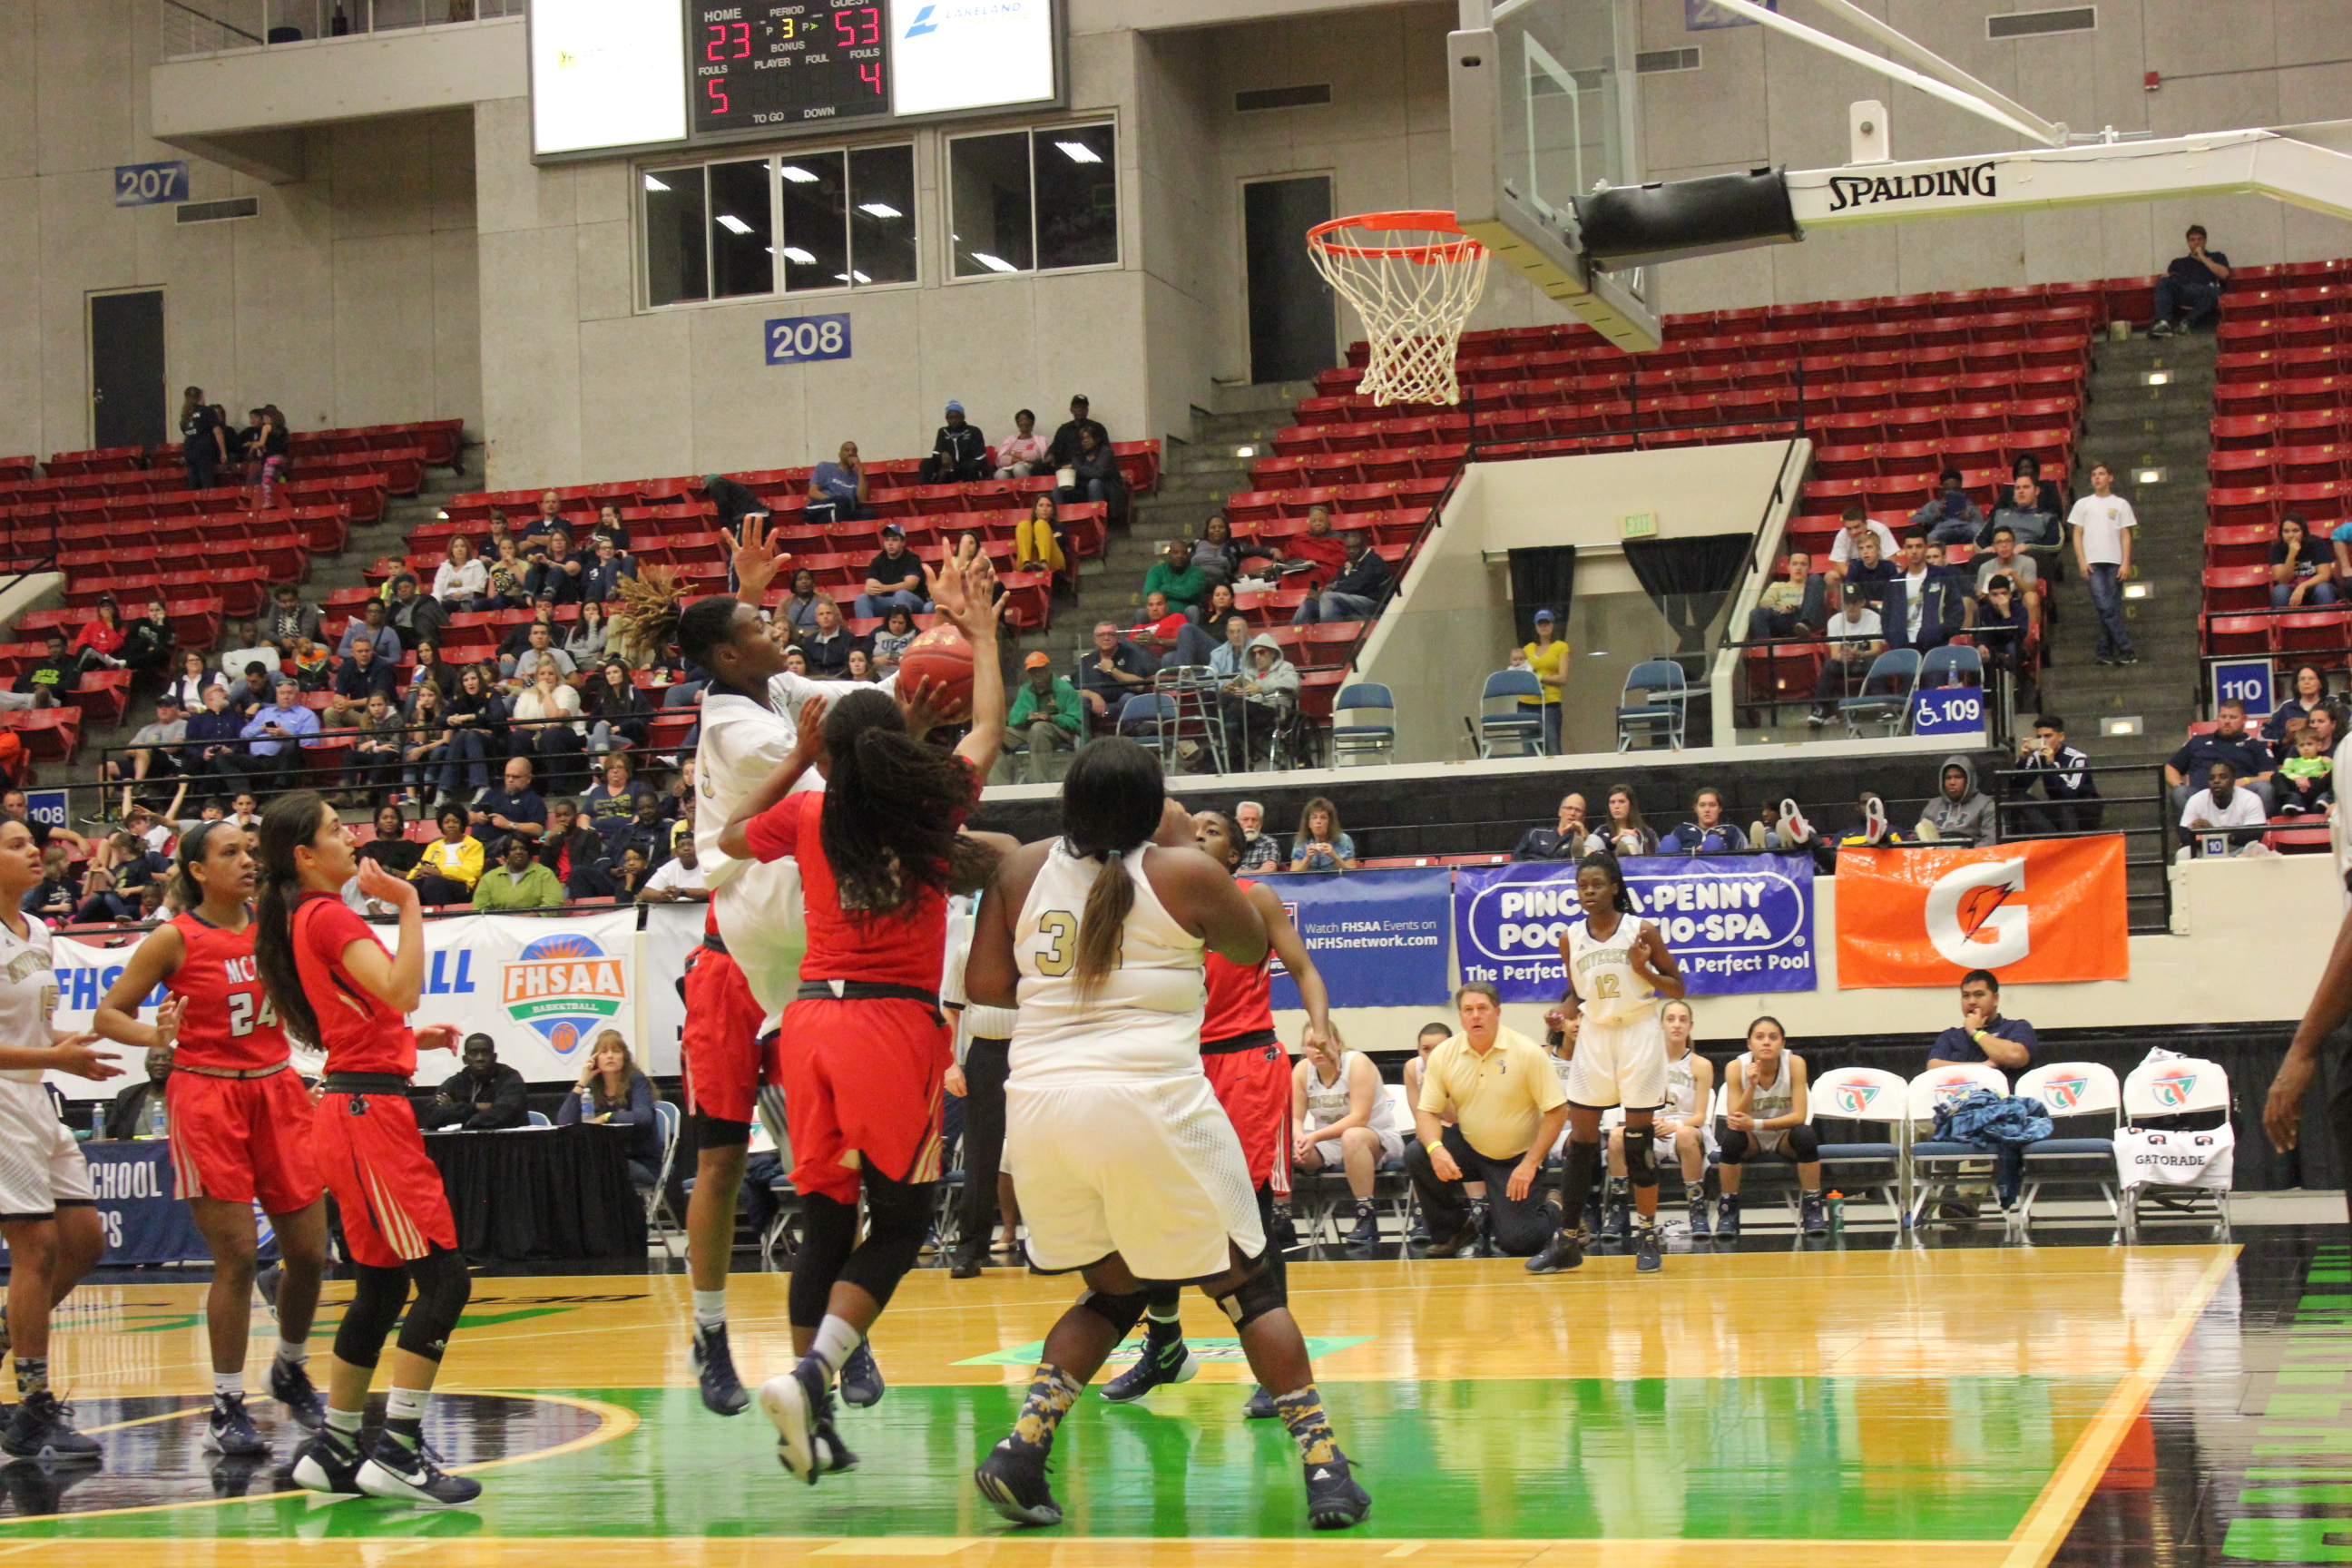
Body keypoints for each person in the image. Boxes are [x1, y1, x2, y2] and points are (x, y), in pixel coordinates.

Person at [960, 739, 1371, 1530]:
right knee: (1249, 1288)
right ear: (1154, 808)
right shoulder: (1183, 871)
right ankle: (1324, 1464)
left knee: (1115, 1290)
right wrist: (1179, 845)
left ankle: (1022, 1447)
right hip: (1149, 1100)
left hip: (1040, 1109)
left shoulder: (1019, 871)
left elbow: (986, 990)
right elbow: (1247, 947)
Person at [715, 555, 1005, 1485]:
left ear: (832, 756)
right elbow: (990, 726)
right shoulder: (932, 802)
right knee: (904, 1223)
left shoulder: (810, 812)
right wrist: (985, 638)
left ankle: (813, 1413)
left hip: (808, 1025)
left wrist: (799, 760)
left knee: (828, 1221)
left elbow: (728, 837)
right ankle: (811, 1375)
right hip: (891, 1029)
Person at [252, 793, 478, 1506]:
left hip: (354, 1104)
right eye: (333, 830)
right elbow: (402, 989)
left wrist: (406, 1041)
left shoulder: (305, 917)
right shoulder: (327, 915)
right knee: (445, 1283)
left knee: (381, 1288)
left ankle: (336, 1447)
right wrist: (410, 902)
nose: (349, 837)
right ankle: (400, 1450)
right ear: (304, 856)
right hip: (367, 1116)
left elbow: (365, 1013)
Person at [92, 819, 329, 1453]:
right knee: (239, 1257)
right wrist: (156, 1037)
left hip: (277, 1089)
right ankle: (226, 1405)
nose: (248, 860)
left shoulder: (274, 926)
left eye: (250, 851)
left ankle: (289, 1367)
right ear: (197, 870)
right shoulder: (174, 937)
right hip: (207, 1096)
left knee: (312, 1252)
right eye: (231, 852)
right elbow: (108, 1014)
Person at [1100, 808, 1336, 1414]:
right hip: (1175, 1065)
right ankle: (1165, 1344)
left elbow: (1304, 969)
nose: (1200, 834)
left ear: (1234, 854)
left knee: (1248, 1217)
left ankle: (1276, 1370)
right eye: (1194, 827)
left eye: (1213, 831)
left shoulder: (1254, 898)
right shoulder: (1157, 901)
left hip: (1245, 1063)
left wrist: (1319, 1024)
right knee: (1159, 1208)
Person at [0, 818, 122, 1465]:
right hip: (0, 1100)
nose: (34, 852)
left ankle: (10, 1335)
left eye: (32, 843)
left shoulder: (39, 931)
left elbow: (30, 1029)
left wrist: (68, 1047)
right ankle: (32, 1406)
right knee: (38, 1248)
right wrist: (52, 1058)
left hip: (35, 1095)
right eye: (16, 845)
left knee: (85, 1241)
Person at [1528, 853, 1687, 1275]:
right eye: (1582, 886)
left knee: (1637, 1143)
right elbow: (1575, 993)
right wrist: (1561, 1013)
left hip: (1638, 1033)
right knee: (1580, 1144)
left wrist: (1642, 969)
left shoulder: (1641, 930)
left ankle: (1646, 1236)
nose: (1589, 892)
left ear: (1615, 886)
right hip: (1595, 1035)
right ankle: (1568, 1240)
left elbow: (1677, 987)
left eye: (1597, 884)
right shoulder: (1570, 937)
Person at [1409, 981, 1568, 1259]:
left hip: (1516, 1159)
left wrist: (1531, 1163)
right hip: (1470, 1148)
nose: (1475, 1016)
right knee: (1418, 1153)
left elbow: (1557, 1111)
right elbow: (1427, 1113)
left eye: (1482, 1008)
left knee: (1518, 1242)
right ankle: (1454, 1231)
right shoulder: (1445, 1054)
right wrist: (1436, 1149)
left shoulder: (1526, 1051)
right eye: (1468, 1010)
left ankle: (1556, 1205)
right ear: (1460, 1016)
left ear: (1497, 1012)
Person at [1602, 998, 1712, 1240]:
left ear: (1691, 1026)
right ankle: (1618, 1210)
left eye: (1683, 1020)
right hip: (1650, 1126)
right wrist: (1648, 1127)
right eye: (1670, 1019)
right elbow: (1632, 1107)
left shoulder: (1701, 1065)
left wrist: (1675, 1125)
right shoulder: (1643, 1063)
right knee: (1617, 1136)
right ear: (1661, 1024)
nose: (1677, 1025)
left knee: (1685, 1136)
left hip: (1685, 1127)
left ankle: (1697, 1209)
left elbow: (1700, 1117)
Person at [1291, 1025, 1402, 1253]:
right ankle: (1281, 1220)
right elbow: (1295, 1117)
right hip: (1329, 1143)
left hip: (1375, 1137)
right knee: (1283, 1147)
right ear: (1303, 1049)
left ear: (1338, 1043)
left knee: (1351, 1137)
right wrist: (1298, 1138)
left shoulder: (1357, 1063)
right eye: (1311, 1045)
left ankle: (1366, 1215)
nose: (1318, 1050)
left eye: (1323, 1043)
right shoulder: (1302, 1070)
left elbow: (1359, 1118)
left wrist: (1314, 1136)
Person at [1713, 1016, 1828, 1238]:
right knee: (1731, 1138)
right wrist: (1751, 1086)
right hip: (1752, 1139)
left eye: (1773, 1037)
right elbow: (1735, 1119)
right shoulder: (1736, 1067)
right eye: (1760, 1037)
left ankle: (1813, 1207)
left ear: (1782, 1043)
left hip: (1784, 1136)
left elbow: (1799, 1116)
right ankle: (1728, 1209)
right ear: (1750, 1044)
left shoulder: (1794, 1064)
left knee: (1805, 1135)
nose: (1766, 1042)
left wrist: (1756, 1123)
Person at [557, 1032, 662, 1190]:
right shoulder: (593, 1085)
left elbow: (643, 1117)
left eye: (616, 1051)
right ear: (595, 1060)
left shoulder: (637, 1080)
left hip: (640, 1162)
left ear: (624, 1057)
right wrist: (583, 1081)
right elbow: (565, 1121)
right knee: (570, 1167)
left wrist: (607, 1117)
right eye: (604, 1052)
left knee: (593, 1168)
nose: (610, 1056)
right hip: (604, 1157)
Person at [2069, 462, 2138, 666]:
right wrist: (2082, 560)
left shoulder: (2121, 504)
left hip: (2115, 561)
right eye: (2094, 474)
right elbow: (2077, 534)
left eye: (2101, 473)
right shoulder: (2082, 504)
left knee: (2109, 608)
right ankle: (2126, 647)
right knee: (2105, 605)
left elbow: (2125, 535)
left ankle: (2105, 650)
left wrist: (2125, 563)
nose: (2097, 477)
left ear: (2110, 478)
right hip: (2093, 563)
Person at [2166, 699, 2276, 818]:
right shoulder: (2197, 742)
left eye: (2233, 717)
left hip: (2240, 798)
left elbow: (2269, 775)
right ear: (2217, 718)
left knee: (2264, 788)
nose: (2227, 721)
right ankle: (2193, 830)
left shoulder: (2256, 745)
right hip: (2202, 798)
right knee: (2180, 792)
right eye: (2223, 717)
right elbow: (2171, 767)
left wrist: (2246, 780)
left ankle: (2254, 828)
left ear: (2244, 719)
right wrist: (2179, 785)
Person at [1807, 583, 1885, 727]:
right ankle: (1819, 709)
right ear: (1843, 603)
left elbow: (1876, 650)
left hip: (1865, 659)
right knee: (1830, 665)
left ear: (1862, 602)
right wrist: (1843, 657)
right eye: (1848, 602)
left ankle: (1883, 707)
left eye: (1855, 602)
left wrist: (1859, 654)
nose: (1851, 606)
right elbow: (1834, 653)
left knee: (1874, 662)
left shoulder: (1874, 618)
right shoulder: (1835, 621)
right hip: (1845, 662)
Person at [1002, 652, 1083, 785]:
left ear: (1048, 668)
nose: (1037, 674)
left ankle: (1039, 784)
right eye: (1033, 671)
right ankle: (999, 787)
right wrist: (1028, 717)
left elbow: (1077, 721)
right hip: (1029, 730)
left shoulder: (1065, 689)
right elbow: (1013, 719)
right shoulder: (1025, 690)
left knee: (1039, 728)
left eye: (1041, 669)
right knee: (997, 735)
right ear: (1028, 673)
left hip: (1060, 731)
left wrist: (1052, 718)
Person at [419, 1033, 529, 1130]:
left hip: (506, 1142)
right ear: (465, 1059)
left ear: (494, 1057)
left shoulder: (510, 1078)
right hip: (462, 1143)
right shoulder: (456, 1082)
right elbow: (432, 1116)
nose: (480, 1058)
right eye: (474, 1053)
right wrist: (476, 1107)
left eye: (485, 1052)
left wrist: (459, 1114)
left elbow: (504, 1113)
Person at [2013, 714, 2102, 834]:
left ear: (2061, 737)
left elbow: (2070, 793)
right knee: (2019, 799)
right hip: (2057, 808)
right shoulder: (2038, 756)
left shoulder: (2077, 758)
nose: (2043, 741)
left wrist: (2052, 764)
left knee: (2064, 804)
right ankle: (2051, 838)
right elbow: (2018, 788)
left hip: (2083, 810)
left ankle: (2067, 841)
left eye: (2048, 736)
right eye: (2039, 737)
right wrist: (2023, 760)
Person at [235, 678, 324, 795]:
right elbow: (244, 734)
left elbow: (311, 742)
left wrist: (286, 735)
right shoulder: (264, 713)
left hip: (281, 760)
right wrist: (261, 728)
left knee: (290, 744)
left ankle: (278, 792)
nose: (286, 697)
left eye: (290, 693)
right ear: (276, 696)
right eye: (282, 693)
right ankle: (243, 795)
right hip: (255, 759)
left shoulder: (306, 715)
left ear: (297, 695)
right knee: (224, 759)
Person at [104, 694, 189, 815]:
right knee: (106, 767)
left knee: (143, 748)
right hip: (144, 761)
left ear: (176, 708)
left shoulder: (182, 724)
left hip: (168, 761)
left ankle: (137, 786)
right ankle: (104, 810)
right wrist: (142, 751)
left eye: (168, 706)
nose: (163, 709)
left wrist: (150, 749)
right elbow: (128, 749)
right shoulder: (147, 729)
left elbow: (177, 744)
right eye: (160, 706)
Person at [1290, 531, 1392, 625]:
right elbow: (1335, 581)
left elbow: (1356, 586)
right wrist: (1323, 591)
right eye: (1348, 548)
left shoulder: (1373, 561)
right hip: (1352, 602)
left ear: (1364, 546)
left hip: (1375, 604)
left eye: (1355, 547)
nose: (1351, 551)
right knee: (1310, 602)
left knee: (1328, 597)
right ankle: (1292, 634)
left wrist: (1325, 593)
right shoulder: (1349, 563)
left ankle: (1329, 634)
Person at [1886, 531, 1965, 652]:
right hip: (1902, 646)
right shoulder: (1896, 581)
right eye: (1909, 547)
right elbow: (1886, 615)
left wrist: (1940, 633)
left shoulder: (1942, 576)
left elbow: (1956, 610)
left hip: (1934, 646)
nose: (1914, 551)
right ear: (1904, 549)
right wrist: (1894, 637)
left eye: (1918, 546)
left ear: (1926, 548)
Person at [2149, 223, 2230, 336]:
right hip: (2185, 292)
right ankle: (2163, 323)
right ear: (2188, 243)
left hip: (2207, 293)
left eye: (2200, 239)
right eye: (2193, 240)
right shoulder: (2178, 262)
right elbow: (2172, 281)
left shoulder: (2217, 256)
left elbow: (2224, 274)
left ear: (2205, 241)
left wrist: (2202, 257)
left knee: (2216, 291)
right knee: (2163, 281)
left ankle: (2187, 323)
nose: (2197, 242)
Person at [2179, 760, 2269, 851]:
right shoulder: (2196, 800)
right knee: (2184, 852)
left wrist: (2212, 832)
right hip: (2206, 850)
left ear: (2233, 780)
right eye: (2212, 778)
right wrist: (2199, 834)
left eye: (2223, 777)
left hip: (2238, 850)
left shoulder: (2250, 799)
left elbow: (2254, 835)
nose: (2216, 781)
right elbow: (2184, 836)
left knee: (2259, 848)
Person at [534, 798, 613, 899]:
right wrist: (548, 840)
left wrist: (566, 883)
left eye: (567, 815)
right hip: (555, 884)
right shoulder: (554, 839)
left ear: (576, 815)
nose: (562, 819)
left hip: (577, 883)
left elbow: (588, 866)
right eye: (558, 816)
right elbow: (544, 868)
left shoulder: (588, 835)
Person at [1076, 621, 1155, 724]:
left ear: (1118, 637)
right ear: (1095, 639)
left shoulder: (1131, 654)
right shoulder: (1087, 660)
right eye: (1101, 635)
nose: (1106, 638)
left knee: (1128, 698)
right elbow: (1075, 689)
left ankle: (1131, 734)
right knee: (1081, 701)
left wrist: (1112, 670)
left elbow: (1140, 686)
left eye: (1111, 634)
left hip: (1121, 704)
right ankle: (1084, 735)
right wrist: (1092, 695)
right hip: (1095, 706)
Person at [470, 755, 548, 858]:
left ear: (528, 779)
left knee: (507, 842)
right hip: (475, 842)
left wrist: (509, 824)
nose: (510, 780)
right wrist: (478, 817)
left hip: (503, 845)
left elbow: (538, 830)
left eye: (516, 777)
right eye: (507, 776)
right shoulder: (492, 794)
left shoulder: (533, 800)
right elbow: (467, 817)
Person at [408, 806, 482, 906]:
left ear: (463, 824)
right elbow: (421, 865)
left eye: (456, 822)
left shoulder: (474, 845)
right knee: (411, 885)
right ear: (441, 825)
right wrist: (417, 873)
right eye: (446, 822)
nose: (451, 825)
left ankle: (441, 914)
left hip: (462, 886)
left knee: (433, 881)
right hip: (432, 881)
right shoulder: (434, 846)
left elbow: (472, 872)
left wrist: (441, 872)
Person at [855, 526, 932, 621]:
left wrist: (884, 588)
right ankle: (868, 630)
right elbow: (871, 584)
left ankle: (902, 628)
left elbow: (910, 585)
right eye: (887, 540)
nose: (890, 544)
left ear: (903, 542)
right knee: (862, 599)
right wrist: (869, 589)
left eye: (895, 540)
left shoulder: (912, 559)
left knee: (901, 594)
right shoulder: (877, 561)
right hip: (888, 601)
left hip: (914, 601)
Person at [1917, 755, 1996, 845]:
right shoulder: (1933, 805)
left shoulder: (1986, 805)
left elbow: (1991, 841)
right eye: (1948, 778)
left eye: (1958, 777)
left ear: (1969, 780)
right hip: (1936, 851)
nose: (1952, 782)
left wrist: (1966, 852)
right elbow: (1918, 838)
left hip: (1969, 851)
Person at [1974, 526, 2042, 630]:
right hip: (1993, 606)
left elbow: (2030, 590)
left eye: (2008, 541)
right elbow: (1981, 597)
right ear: (1994, 547)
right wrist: (1993, 582)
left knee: (2031, 597)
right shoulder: (1985, 567)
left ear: (2014, 544)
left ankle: (2030, 636)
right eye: (1999, 542)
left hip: (2018, 605)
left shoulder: (2028, 562)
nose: (2004, 545)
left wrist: (2013, 574)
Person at [470, 837, 564, 910]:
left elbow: (553, 903)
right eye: (513, 849)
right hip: (500, 927)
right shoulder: (489, 878)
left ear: (529, 852)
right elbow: (480, 908)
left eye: (523, 848)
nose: (519, 852)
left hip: (535, 925)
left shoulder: (545, 874)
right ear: (505, 854)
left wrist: (527, 917)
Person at [103, 1044, 174, 1140]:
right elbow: (109, 1135)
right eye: (154, 1058)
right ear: (146, 1066)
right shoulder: (127, 1097)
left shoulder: (187, 1096)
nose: (160, 1063)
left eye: (167, 1059)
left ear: (176, 1066)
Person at [1521, 608, 1568, 756]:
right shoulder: (1528, 648)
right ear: (1535, 626)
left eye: (1546, 622)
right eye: (1540, 623)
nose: (1543, 626)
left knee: (1553, 747)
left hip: (1549, 703)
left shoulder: (1561, 647)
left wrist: (1538, 677)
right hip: (1526, 703)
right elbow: (1521, 672)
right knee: (1529, 750)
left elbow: (1562, 678)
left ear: (1553, 625)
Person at [1746, 551, 1818, 642]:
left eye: (1803, 564)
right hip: (1784, 618)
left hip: (1803, 618)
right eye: (1795, 564)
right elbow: (1764, 603)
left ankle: (1805, 625)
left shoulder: (1814, 587)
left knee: (1816, 578)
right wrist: (1779, 606)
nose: (1798, 568)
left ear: (1809, 568)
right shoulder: (1777, 585)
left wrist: (1794, 607)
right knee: (1756, 613)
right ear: (1788, 567)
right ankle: (1764, 647)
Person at [2273, 514, 2339, 607]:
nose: (2291, 535)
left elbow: (2325, 575)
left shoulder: (2316, 543)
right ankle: (2282, 617)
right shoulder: (2277, 548)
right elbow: (2283, 581)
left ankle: (2328, 617)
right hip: (2291, 592)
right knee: (2280, 591)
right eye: (2286, 531)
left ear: (2303, 532)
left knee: (2323, 589)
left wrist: (2302, 586)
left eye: (2295, 531)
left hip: (2315, 587)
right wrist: (2291, 555)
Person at [1659, 788, 1749, 855]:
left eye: (1712, 805)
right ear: (1695, 808)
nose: (1707, 810)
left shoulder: (1732, 830)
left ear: (1720, 808)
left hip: (1720, 872)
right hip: (1684, 872)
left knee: (1714, 841)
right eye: (1702, 805)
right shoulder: (1682, 830)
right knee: (1668, 840)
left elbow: (1745, 859)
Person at [1823, 505, 1900, 583]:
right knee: (1831, 576)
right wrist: (1856, 579)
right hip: (1855, 574)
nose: (1853, 532)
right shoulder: (1842, 536)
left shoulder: (1881, 530)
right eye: (1849, 529)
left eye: (1857, 527)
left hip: (1880, 573)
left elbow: (1890, 559)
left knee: (1898, 570)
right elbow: (1839, 564)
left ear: (1865, 523)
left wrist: (1873, 580)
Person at [1912, 468, 1985, 546]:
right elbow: (1915, 519)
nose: (1952, 492)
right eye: (1948, 490)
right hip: (1944, 531)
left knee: (1980, 532)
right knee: (1931, 537)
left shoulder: (1969, 505)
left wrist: (1970, 515)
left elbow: (1980, 523)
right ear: (1942, 490)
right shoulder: (1934, 505)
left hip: (1966, 529)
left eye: (1955, 489)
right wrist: (1936, 515)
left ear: (1961, 488)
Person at [922, 400, 988, 484]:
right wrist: (942, 455)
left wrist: (960, 460)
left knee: (972, 465)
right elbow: (936, 453)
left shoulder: (974, 431)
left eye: (957, 417)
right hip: (949, 468)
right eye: (950, 417)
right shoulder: (943, 432)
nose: (953, 421)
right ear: (947, 419)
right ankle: (927, 489)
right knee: (926, 463)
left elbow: (980, 457)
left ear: (963, 417)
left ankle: (969, 490)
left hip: (967, 467)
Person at [1142, 540, 1209, 622]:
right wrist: (1178, 593)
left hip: (1185, 614)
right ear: (1169, 554)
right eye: (1175, 553)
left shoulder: (1197, 572)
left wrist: (1163, 589)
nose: (1179, 556)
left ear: (1188, 556)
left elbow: (1188, 593)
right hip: (1160, 613)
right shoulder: (1156, 570)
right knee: (1141, 613)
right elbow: (1149, 593)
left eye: (1184, 553)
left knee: (1193, 609)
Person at [1511, 792, 1589, 861]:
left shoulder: (1582, 839)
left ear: (1583, 817)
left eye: (1578, 810)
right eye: (1569, 808)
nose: (1572, 813)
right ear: (1560, 812)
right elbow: (1515, 863)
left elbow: (1589, 863)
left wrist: (1581, 832)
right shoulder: (1535, 834)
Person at [807, 440, 869, 525]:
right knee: (841, 502)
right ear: (840, 454)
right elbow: (813, 492)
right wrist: (834, 500)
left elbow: (862, 500)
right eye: (847, 450)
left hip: (846, 510)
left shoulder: (857, 477)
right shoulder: (825, 467)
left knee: (868, 513)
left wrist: (860, 471)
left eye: (854, 451)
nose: (850, 453)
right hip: (821, 508)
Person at [180, 386, 230, 492]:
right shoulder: (207, 411)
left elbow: (186, 432)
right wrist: (223, 452)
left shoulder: (185, 414)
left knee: (194, 484)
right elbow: (217, 431)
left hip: (189, 450)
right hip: (203, 450)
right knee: (207, 483)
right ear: (201, 397)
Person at [1588, 783, 1657, 858]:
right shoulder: (1600, 832)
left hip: (1638, 864)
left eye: (1622, 802)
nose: (1616, 806)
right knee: (1592, 839)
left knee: (1629, 838)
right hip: (1605, 864)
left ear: (1631, 805)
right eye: (1612, 802)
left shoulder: (1647, 833)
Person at [1289, 797, 1357, 872]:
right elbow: (1293, 875)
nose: (1318, 821)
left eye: (1323, 817)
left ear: (1330, 822)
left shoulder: (1343, 840)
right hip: (1310, 879)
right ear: (1308, 823)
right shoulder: (1301, 842)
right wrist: (1307, 858)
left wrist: (1334, 856)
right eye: (1314, 817)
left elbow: (1352, 873)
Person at [639, 832, 710, 903]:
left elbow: (712, 891)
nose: (686, 848)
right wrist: (665, 895)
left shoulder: (709, 865)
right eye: (681, 846)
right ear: (676, 852)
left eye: (690, 844)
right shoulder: (669, 868)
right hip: (675, 909)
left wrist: (682, 892)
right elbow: (646, 892)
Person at [2279, 726, 2336, 817]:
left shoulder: (2322, 760)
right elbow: (2284, 772)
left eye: (2309, 744)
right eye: (2302, 745)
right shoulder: (2293, 761)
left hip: (2317, 787)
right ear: (2297, 748)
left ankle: (2325, 801)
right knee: (2277, 776)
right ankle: (2294, 803)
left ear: (2318, 745)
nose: (2305, 748)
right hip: (2298, 788)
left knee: (2334, 773)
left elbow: (2337, 772)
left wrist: (2328, 765)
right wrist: (2297, 777)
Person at [802, 599, 861, 681]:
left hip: (841, 681)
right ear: (816, 619)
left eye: (828, 613)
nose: (825, 617)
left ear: (835, 616)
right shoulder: (809, 641)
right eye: (821, 614)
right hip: (816, 682)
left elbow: (849, 666)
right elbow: (808, 667)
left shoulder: (849, 639)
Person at [1013, 494, 1066, 576]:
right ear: (1035, 510)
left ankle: (1044, 563)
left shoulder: (1059, 526)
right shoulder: (1028, 529)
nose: (1044, 509)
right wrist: (1047, 539)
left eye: (1048, 506)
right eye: (1041, 505)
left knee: (1041, 524)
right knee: (1023, 525)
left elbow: (1060, 542)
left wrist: (1037, 541)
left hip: (1053, 562)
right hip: (1030, 561)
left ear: (1053, 510)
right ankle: (1026, 564)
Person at [263, 585, 324, 656]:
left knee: (299, 650)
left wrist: (293, 642)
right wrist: (282, 640)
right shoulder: (275, 608)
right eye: (284, 602)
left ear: (297, 599)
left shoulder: (307, 608)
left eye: (291, 600)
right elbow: (268, 632)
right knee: (265, 645)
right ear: (278, 602)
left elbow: (307, 634)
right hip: (283, 643)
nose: (288, 605)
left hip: (306, 643)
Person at [430, 536, 486, 612]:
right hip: (447, 600)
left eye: (462, 546)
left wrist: (463, 591)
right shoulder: (445, 567)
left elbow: (480, 587)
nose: (459, 549)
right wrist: (434, 602)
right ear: (451, 550)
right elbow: (438, 588)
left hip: (469, 599)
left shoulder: (476, 564)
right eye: (456, 547)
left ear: (467, 549)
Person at [994, 407, 1048, 479]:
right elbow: (1001, 460)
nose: (1024, 423)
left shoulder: (1039, 440)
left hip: (1029, 468)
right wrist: (1018, 459)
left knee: (1018, 467)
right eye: (1021, 420)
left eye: (1026, 420)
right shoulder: (1010, 440)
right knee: (1000, 474)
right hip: (1011, 467)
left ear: (1032, 423)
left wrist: (1012, 454)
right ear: (1017, 423)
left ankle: (1026, 487)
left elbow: (1034, 455)